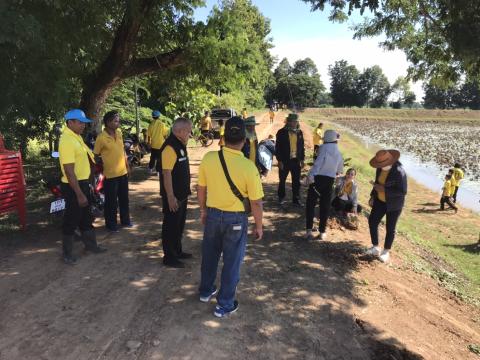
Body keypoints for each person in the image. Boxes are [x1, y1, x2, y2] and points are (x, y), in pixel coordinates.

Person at [198, 116, 264, 318]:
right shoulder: (249, 168)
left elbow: (201, 189)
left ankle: (205, 291)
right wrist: (259, 226)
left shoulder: (209, 158)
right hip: (236, 219)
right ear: (244, 140)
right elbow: (256, 203)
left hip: (212, 214)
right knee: (232, 261)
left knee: (209, 255)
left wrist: (203, 211)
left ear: (223, 138)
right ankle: (224, 304)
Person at [59, 109, 107, 264]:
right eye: (80, 123)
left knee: (86, 217)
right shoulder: (67, 140)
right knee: (71, 220)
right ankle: (67, 254)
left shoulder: (76, 137)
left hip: (83, 183)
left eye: (84, 123)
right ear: (70, 122)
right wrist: (79, 193)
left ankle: (91, 246)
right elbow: (69, 171)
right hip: (74, 186)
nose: (83, 126)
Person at [158, 117, 193, 268]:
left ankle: (177, 251)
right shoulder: (169, 148)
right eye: (188, 131)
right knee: (171, 226)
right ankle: (169, 257)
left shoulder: (179, 144)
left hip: (181, 194)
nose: (190, 134)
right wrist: (170, 197)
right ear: (179, 131)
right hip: (173, 196)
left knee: (179, 225)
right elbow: (166, 174)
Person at [366, 149, 407, 263]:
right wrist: (373, 196)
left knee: (390, 227)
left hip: (394, 204)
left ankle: (386, 251)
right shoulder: (380, 168)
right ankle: (375, 247)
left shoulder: (399, 172)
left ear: (390, 161)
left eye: (383, 164)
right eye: (379, 164)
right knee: (372, 221)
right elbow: (377, 183)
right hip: (380, 201)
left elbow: (402, 191)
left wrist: (385, 190)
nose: (380, 166)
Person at [93, 111, 132, 232]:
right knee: (111, 202)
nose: (118, 123)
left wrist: (127, 166)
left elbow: (123, 152)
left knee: (124, 199)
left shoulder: (119, 133)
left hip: (123, 173)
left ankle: (125, 221)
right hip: (110, 175)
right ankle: (111, 224)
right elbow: (95, 155)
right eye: (116, 121)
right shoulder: (101, 138)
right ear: (108, 122)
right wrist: (101, 166)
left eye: (118, 120)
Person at [305, 130, 343, 240]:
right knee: (325, 206)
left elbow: (317, 164)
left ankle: (308, 230)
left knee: (311, 204)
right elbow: (339, 169)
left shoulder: (323, 148)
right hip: (329, 181)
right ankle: (322, 232)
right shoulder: (338, 152)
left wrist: (310, 176)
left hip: (318, 179)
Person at [275, 113, 305, 206]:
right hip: (284, 161)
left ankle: (296, 199)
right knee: (282, 180)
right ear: (288, 122)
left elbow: (302, 147)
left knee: (296, 181)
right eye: (293, 121)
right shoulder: (281, 132)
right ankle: (281, 197)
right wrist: (279, 161)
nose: (295, 123)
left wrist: (302, 159)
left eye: (296, 121)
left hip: (296, 161)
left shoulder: (299, 132)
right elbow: (278, 148)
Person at [147, 110, 169, 175]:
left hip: (153, 144)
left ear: (152, 116)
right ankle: (158, 171)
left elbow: (148, 135)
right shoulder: (162, 124)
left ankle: (150, 168)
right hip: (161, 144)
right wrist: (167, 141)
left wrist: (148, 142)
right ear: (159, 116)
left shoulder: (151, 124)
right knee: (159, 158)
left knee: (153, 157)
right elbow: (165, 134)